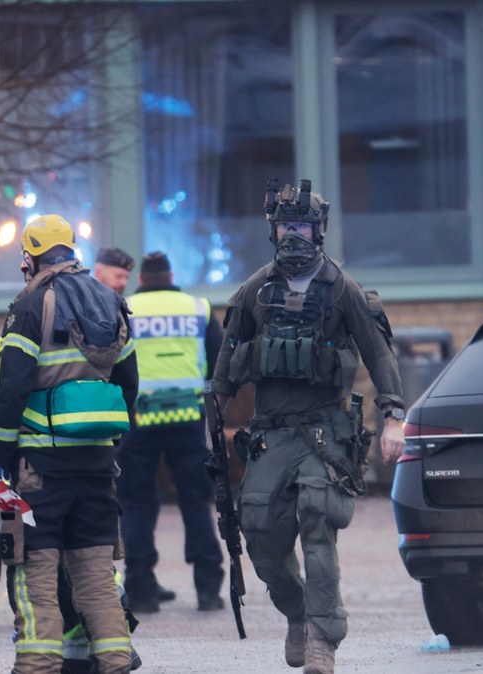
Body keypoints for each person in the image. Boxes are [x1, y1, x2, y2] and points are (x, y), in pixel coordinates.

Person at [211, 179, 405, 674]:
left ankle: (322, 636)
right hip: (271, 430)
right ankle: (298, 614)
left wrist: (393, 417)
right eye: (284, 227)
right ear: (272, 231)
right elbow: (226, 366)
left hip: (325, 430)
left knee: (318, 523)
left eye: (301, 226)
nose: (292, 237)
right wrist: (210, 421)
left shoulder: (343, 290)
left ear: (319, 231)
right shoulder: (255, 291)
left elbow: (379, 356)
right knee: (260, 534)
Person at [0, 214, 137, 674]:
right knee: (95, 577)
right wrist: (107, 444)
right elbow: (129, 385)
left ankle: (37, 667)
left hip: (40, 468)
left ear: (30, 260)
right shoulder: (112, 302)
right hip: (96, 464)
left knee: (36, 579)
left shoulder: (30, 307)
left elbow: (11, 388)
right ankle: (114, 659)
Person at [117, 251, 225, 614]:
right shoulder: (198, 308)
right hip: (187, 417)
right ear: (171, 275)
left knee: (137, 503)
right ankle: (208, 588)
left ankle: (142, 589)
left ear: (142, 279)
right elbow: (218, 361)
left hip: (138, 419)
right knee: (196, 502)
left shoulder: (125, 307)